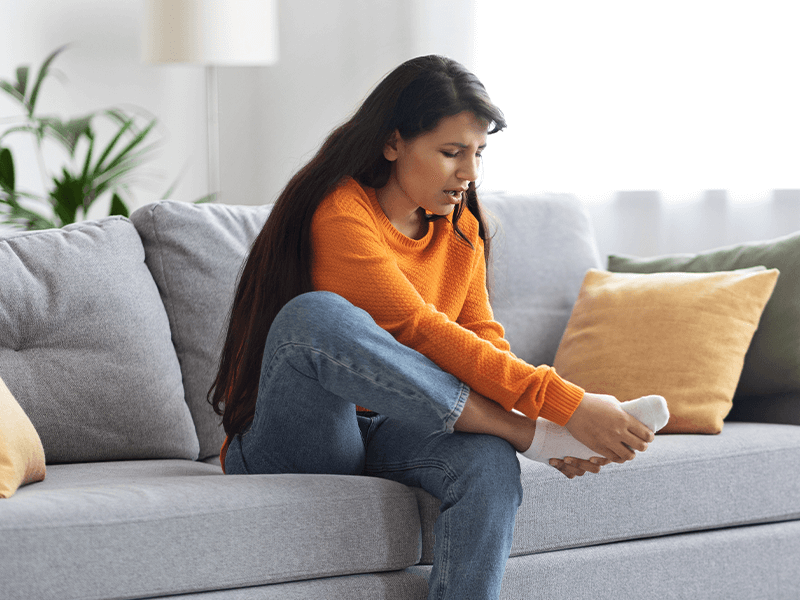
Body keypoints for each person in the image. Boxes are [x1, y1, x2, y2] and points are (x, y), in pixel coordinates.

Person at [208, 55, 668, 600]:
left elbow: (478, 334)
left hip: (391, 426)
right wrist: (555, 411)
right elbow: (419, 328)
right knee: (317, 315)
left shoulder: (462, 229)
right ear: (393, 143)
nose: (469, 173)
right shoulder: (341, 214)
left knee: (487, 461)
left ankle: (516, 442)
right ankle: (530, 440)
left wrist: (521, 407)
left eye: (478, 153)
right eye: (451, 153)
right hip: (300, 436)